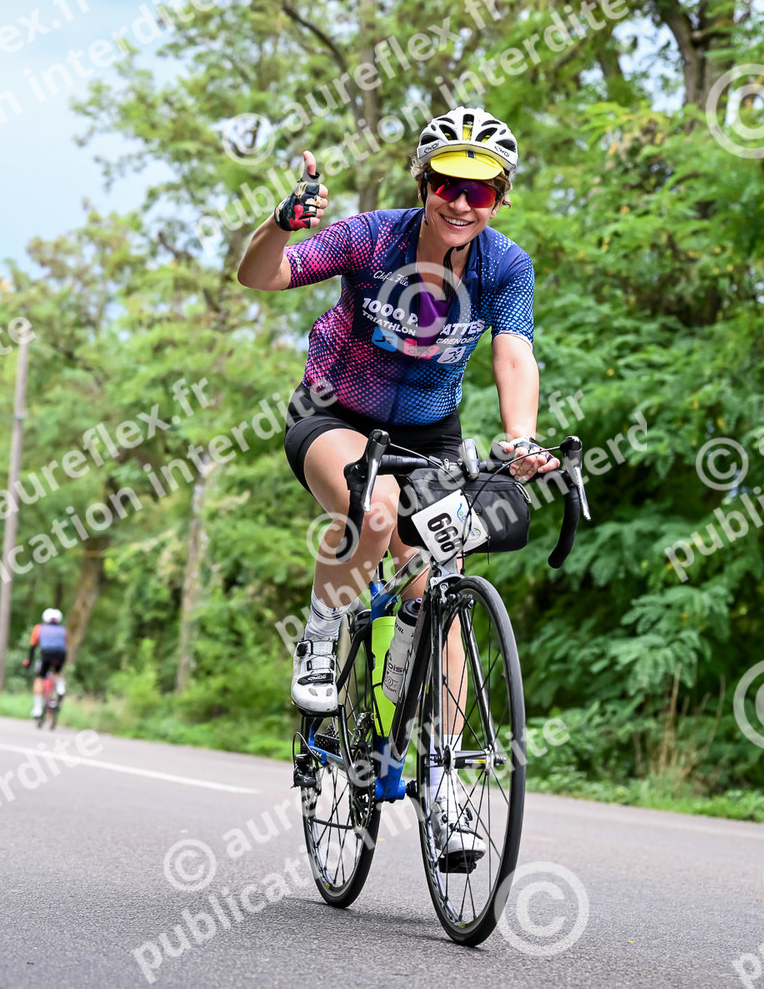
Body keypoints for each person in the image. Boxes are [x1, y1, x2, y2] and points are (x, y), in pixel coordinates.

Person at [236, 106, 559, 861]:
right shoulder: (372, 238)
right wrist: (279, 224)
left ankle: (443, 785)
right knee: (376, 510)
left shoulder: (505, 266)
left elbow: (514, 352)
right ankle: (324, 636)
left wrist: (520, 436)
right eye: (448, 185)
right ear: (423, 184)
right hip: (333, 415)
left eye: (481, 192)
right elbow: (262, 275)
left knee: (441, 587)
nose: (462, 203)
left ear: (500, 199)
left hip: (428, 434)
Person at [23, 608, 68, 718]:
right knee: (58, 672)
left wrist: (29, 661)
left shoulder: (39, 628)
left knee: (40, 678)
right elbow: (65, 644)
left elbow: (33, 647)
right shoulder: (63, 630)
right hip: (61, 655)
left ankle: (38, 708)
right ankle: (60, 687)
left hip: (46, 655)